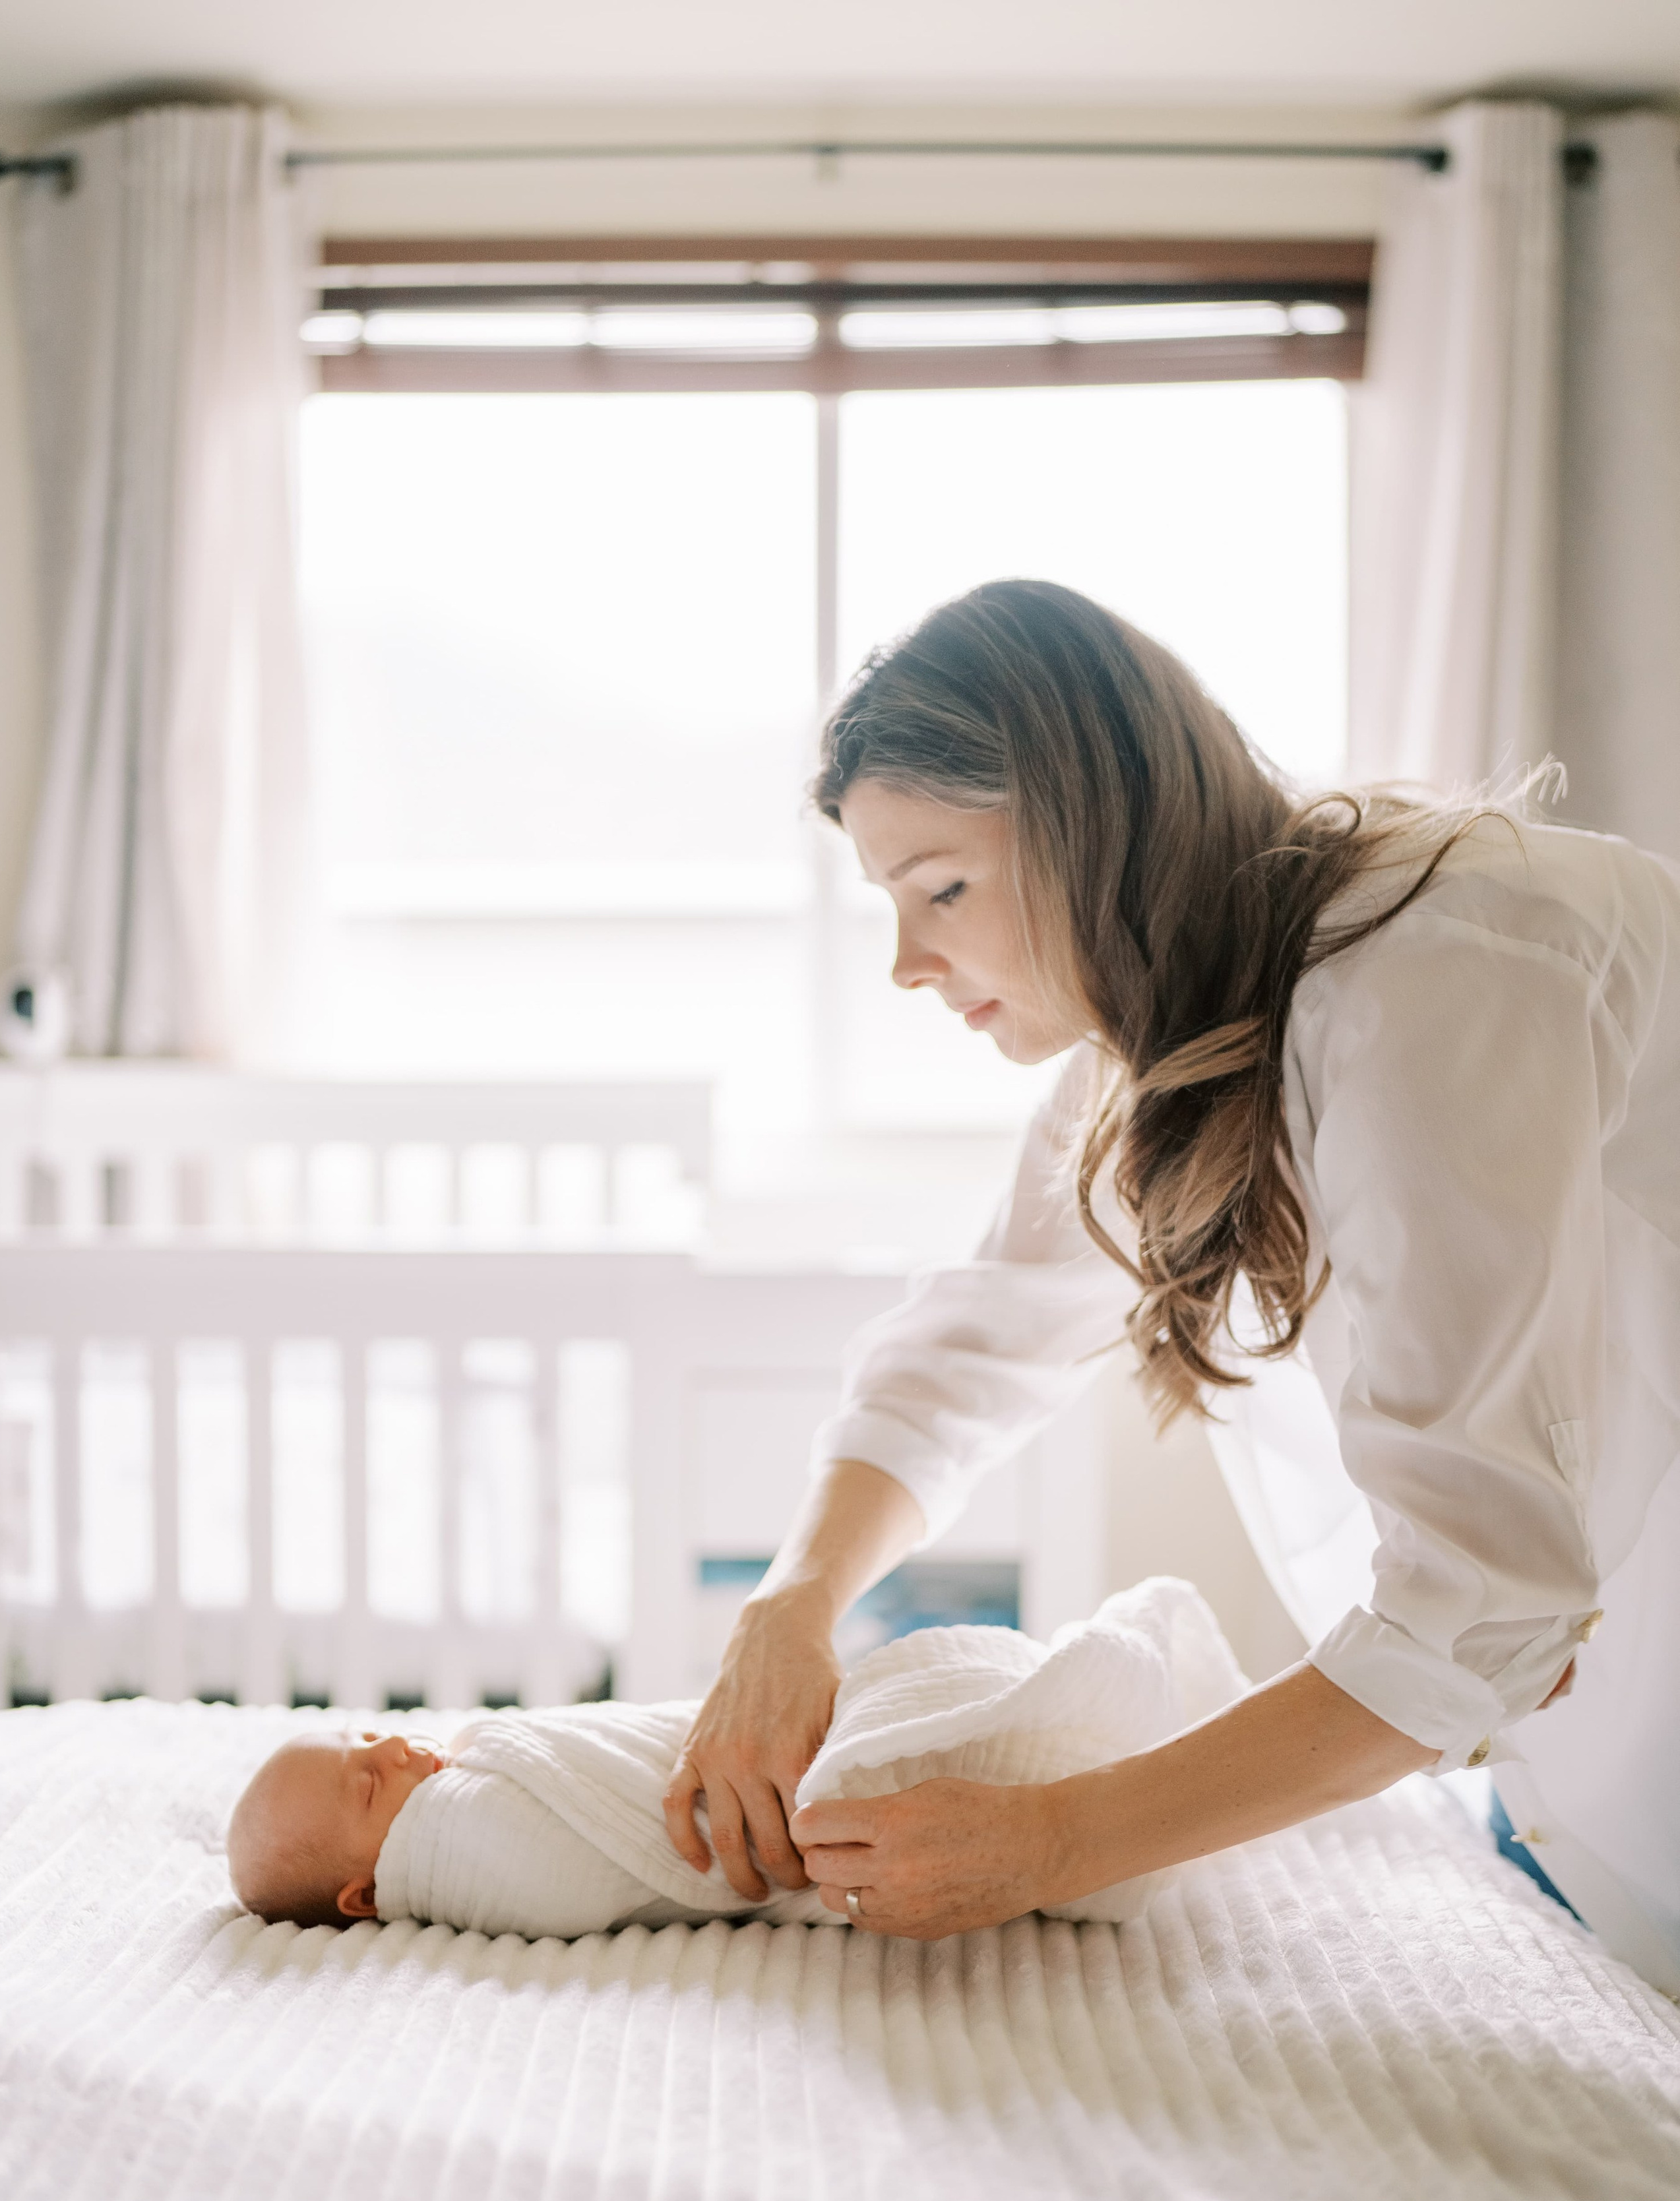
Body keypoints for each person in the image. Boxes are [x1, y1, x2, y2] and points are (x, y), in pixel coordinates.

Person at [664, 579, 1680, 1991]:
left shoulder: (1423, 973)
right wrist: (788, 1611)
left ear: (1096, 830)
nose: (903, 965)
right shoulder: (1165, 1029)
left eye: (941, 889)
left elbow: (1482, 1599)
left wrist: (1055, 1841)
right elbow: (968, 1349)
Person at [224, 1576, 1234, 1937]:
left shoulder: (479, 1758)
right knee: (892, 1757)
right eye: (368, 1779)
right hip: (791, 1805)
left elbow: (636, 1743)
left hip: (782, 1736)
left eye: (370, 1734)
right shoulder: (462, 1849)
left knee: (895, 1707)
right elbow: (570, 1866)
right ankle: (1071, 1745)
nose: (397, 1745)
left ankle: (1079, 1747)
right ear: (365, 1893)